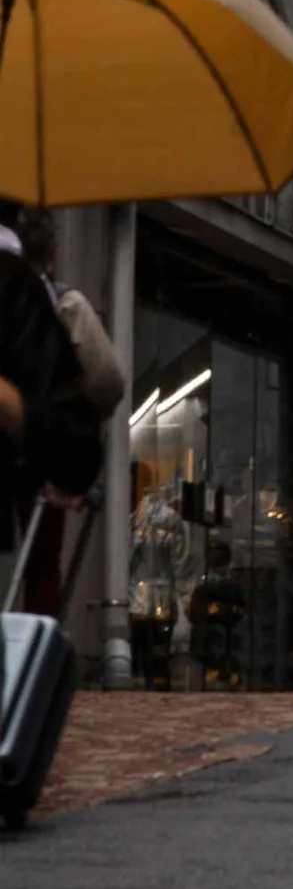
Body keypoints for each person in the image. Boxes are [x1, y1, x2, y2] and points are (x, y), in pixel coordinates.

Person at [0, 200, 101, 600]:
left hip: (27, 471)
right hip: (32, 473)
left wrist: (17, 411)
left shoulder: (15, 291)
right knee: (41, 566)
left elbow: (75, 444)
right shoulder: (23, 289)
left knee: (39, 565)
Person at [188, 541, 249, 689]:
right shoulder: (203, 588)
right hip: (209, 644)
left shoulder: (232, 587)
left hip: (226, 644)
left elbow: (238, 612)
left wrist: (219, 610)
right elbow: (196, 614)